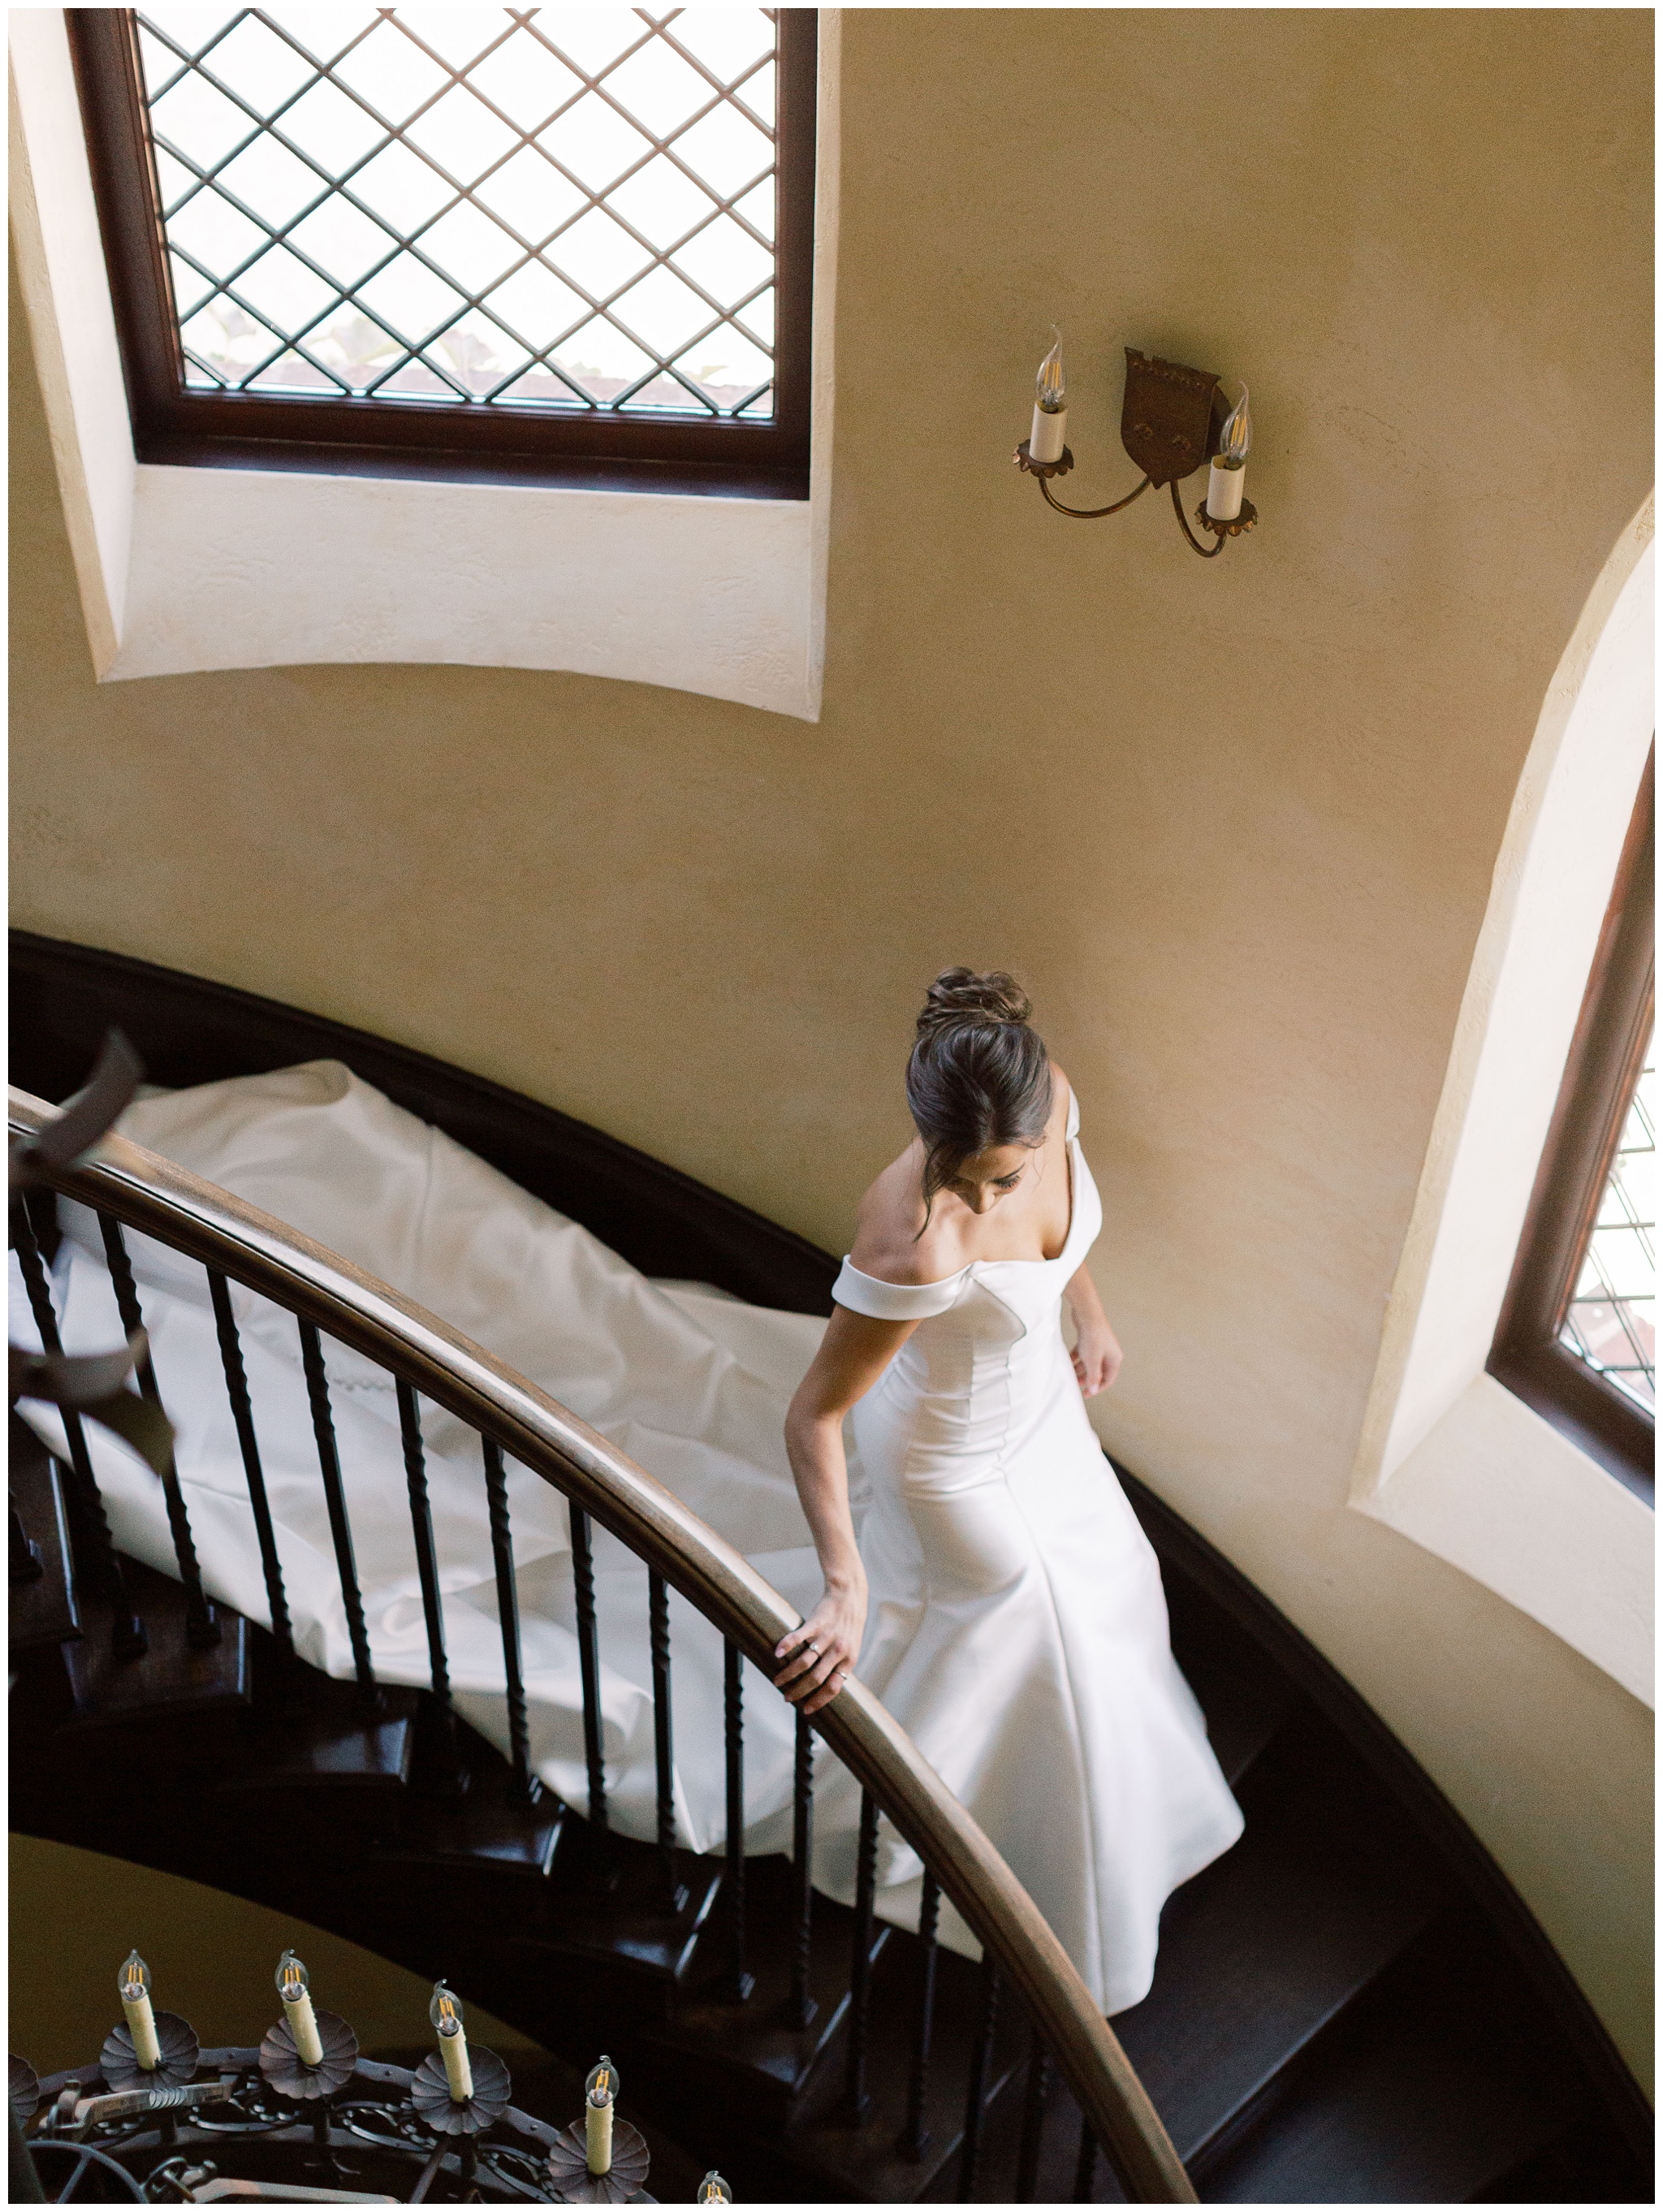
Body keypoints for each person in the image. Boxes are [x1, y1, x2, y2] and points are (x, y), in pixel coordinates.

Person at [771, 968, 1244, 2012]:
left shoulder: (1049, 1095)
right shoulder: (908, 1240)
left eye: (1006, 1175)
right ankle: (993, 1866)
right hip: (946, 1460)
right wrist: (841, 1585)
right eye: (968, 1180)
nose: (987, 1199)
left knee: (1117, 1573)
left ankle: (1132, 1823)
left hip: (1037, 1409)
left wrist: (1089, 1314)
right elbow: (814, 1415)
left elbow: (1059, 1221)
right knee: (1036, 1622)